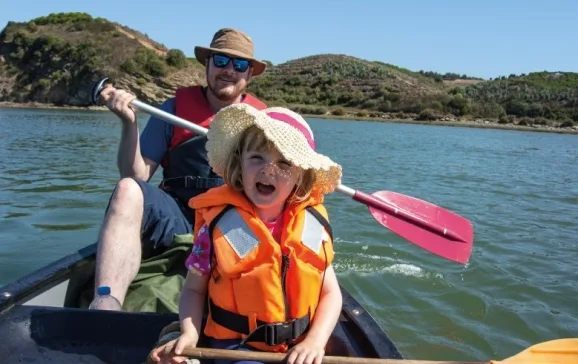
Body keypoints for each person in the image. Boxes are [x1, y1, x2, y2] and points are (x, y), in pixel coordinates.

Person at [149, 104, 344, 364]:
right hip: (238, 347)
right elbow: (194, 290)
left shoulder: (311, 225)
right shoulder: (218, 226)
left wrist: (315, 341)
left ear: (300, 175)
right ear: (239, 164)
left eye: (284, 162)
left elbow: (331, 294)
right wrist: (190, 333)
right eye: (257, 158)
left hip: (299, 348)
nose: (268, 170)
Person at [89, 28, 268, 310]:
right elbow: (136, 177)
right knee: (126, 190)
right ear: (207, 64)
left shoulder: (264, 122)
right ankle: (106, 303)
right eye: (221, 61)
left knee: (261, 253)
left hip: (232, 222)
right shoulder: (172, 111)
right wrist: (128, 123)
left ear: (250, 73)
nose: (229, 70)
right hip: (177, 218)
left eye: (240, 64)